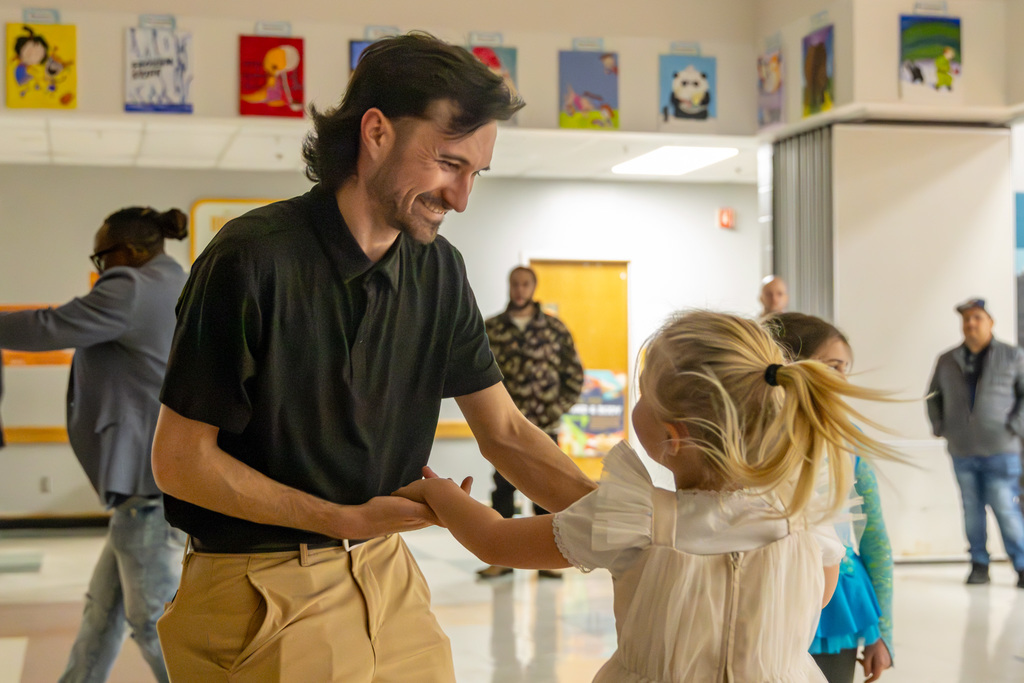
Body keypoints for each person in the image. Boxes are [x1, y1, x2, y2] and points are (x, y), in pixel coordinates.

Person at [150, 32, 596, 682]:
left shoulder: (439, 270)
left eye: (477, 173)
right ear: (377, 132)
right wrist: (337, 516)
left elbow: (504, 432)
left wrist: (617, 516)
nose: (462, 197)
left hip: (386, 570)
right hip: (261, 581)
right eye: (448, 162)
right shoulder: (251, 260)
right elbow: (180, 460)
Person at [393, 310, 903, 682]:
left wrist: (440, 495)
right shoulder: (801, 517)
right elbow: (817, 591)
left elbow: (497, 542)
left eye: (642, 392)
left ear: (672, 437)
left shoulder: (632, 521)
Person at [0, 207, 189, 683]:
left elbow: (49, 327)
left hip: (145, 490)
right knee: (102, 613)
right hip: (153, 484)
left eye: (102, 258)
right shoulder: (176, 281)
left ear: (129, 252)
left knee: (152, 624)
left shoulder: (132, 288)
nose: (102, 269)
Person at [769, 312, 894, 683]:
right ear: (788, 363)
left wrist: (882, 633)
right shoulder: (754, 434)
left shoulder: (847, 436)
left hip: (837, 601)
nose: (842, 380)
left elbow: (875, 538)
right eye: (832, 366)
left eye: (845, 368)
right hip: (769, 590)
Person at [478, 265, 584, 579]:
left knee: (548, 490)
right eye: (515, 284)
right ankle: (500, 558)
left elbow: (574, 375)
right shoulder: (492, 328)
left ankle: (548, 559)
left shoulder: (554, 329)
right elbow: (477, 377)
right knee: (503, 489)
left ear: (533, 287)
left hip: (544, 426)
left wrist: (556, 409)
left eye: (525, 284)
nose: (520, 290)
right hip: (505, 428)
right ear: (509, 286)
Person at [926, 297, 1024, 587]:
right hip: (962, 450)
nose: (971, 324)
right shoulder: (947, 360)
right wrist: (941, 426)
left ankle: (1021, 565)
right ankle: (979, 564)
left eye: (977, 318)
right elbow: (933, 396)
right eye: (966, 319)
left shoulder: (1012, 356)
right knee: (971, 510)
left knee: (1005, 507)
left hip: (1002, 450)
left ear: (990, 322)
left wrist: (1014, 427)